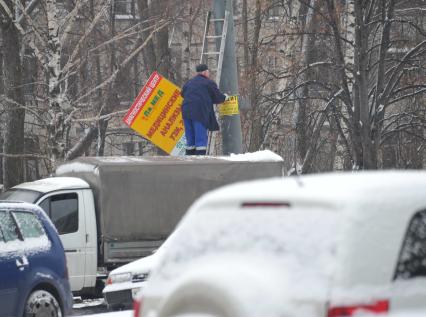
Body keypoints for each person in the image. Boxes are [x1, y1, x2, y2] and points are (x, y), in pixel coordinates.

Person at [181, 64, 228, 155]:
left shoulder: (189, 82)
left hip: (186, 112)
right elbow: (217, 97)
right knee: (200, 138)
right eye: (208, 72)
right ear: (205, 72)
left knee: (190, 138)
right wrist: (225, 97)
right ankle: (200, 162)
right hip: (199, 113)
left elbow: (182, 94)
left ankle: (189, 161)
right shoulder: (209, 83)